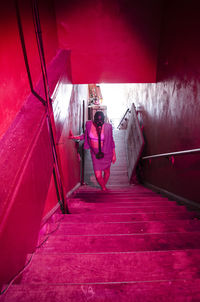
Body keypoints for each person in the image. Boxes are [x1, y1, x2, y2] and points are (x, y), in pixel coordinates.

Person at [69, 111, 116, 191]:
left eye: (101, 121)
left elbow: (111, 141)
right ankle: (103, 187)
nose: (99, 123)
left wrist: (114, 154)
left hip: (106, 153)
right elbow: (86, 136)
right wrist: (75, 137)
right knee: (98, 175)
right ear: (94, 119)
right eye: (97, 120)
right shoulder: (89, 125)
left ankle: (103, 187)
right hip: (95, 154)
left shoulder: (108, 127)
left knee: (106, 171)